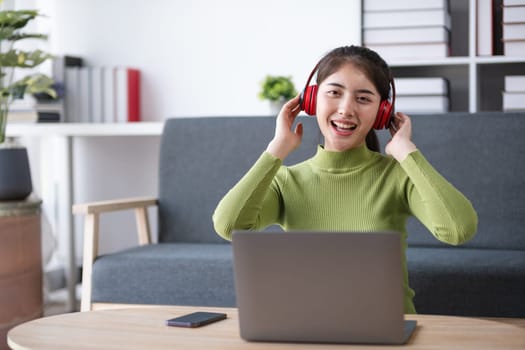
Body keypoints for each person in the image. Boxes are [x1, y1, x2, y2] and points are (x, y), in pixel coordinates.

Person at [212, 45, 478, 314]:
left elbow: (458, 230)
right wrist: (277, 148)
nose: (346, 109)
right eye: (334, 93)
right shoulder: (286, 181)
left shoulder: (398, 176)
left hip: (387, 330)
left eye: (363, 99)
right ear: (312, 100)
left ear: (382, 113)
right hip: (307, 327)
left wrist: (406, 152)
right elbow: (229, 225)